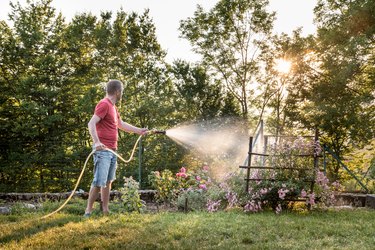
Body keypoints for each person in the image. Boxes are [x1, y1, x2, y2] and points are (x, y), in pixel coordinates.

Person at [84, 79, 148, 217]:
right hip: (103, 150)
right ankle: (88, 211)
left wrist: (139, 130)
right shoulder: (104, 104)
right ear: (118, 92)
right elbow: (91, 123)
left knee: (108, 181)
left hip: (112, 150)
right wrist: (96, 142)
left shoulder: (113, 107)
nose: (122, 94)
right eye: (122, 91)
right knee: (98, 181)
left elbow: (120, 124)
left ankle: (105, 210)